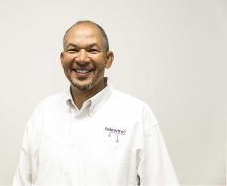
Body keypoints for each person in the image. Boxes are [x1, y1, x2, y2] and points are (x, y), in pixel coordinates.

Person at [13, 20, 179, 185]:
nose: (82, 58)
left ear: (108, 59)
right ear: (62, 59)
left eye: (92, 50)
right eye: (73, 50)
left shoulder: (137, 115)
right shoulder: (44, 113)